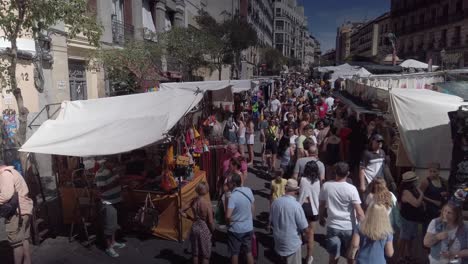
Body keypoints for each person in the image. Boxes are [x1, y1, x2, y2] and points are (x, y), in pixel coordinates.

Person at [319, 162, 365, 264]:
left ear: (335, 172)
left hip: (332, 226)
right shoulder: (352, 189)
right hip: (349, 227)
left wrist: (321, 217)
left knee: (333, 257)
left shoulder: (326, 186)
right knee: (351, 256)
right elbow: (359, 211)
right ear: (348, 173)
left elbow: (322, 205)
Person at [0, 162, 33, 264]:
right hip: (25, 210)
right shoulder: (13, 172)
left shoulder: (5, 174)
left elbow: (6, 195)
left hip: (17, 213)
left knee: (16, 243)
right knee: (24, 239)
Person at [270, 179, 309, 264]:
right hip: (292, 243)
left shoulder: (275, 203)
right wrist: (306, 237)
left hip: (278, 242)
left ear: (285, 188)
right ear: (296, 190)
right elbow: (304, 227)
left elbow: (271, 222)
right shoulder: (296, 206)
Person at [95, 157, 126, 258]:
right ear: (107, 162)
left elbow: (117, 181)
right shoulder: (100, 172)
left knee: (114, 225)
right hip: (108, 202)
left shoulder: (112, 170)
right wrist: (115, 183)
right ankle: (108, 247)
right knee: (109, 227)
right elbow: (100, 190)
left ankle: (113, 242)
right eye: (114, 163)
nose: (115, 165)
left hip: (116, 200)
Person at [180, 182, 215, 264]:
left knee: (195, 253)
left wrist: (190, 218)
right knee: (205, 255)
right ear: (206, 191)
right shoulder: (207, 204)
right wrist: (213, 232)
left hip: (195, 226)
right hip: (204, 228)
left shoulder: (193, 200)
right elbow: (210, 221)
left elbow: (181, 211)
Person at [226, 173, 255, 264]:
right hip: (248, 227)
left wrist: (228, 224)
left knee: (235, 253)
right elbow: (253, 208)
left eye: (229, 183)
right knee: (248, 252)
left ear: (234, 184)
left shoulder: (232, 197)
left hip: (236, 229)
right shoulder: (248, 190)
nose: (227, 184)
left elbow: (228, 216)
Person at [297, 159, 321, 264]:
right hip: (313, 209)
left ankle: (296, 254)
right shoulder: (318, 182)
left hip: (302, 207)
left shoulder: (301, 179)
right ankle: (308, 258)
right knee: (311, 234)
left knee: (299, 230)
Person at [398, 171, 425, 260]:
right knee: (404, 238)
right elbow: (416, 204)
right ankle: (400, 256)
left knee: (410, 237)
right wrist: (422, 194)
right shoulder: (406, 191)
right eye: (414, 180)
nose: (416, 182)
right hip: (407, 218)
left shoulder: (412, 189)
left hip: (413, 218)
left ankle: (408, 254)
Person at [420, 162, 449, 233]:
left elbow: (449, 192)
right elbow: (420, 195)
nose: (432, 173)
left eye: (434, 171)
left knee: (440, 230)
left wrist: (445, 194)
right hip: (429, 210)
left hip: (441, 210)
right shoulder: (426, 182)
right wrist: (433, 201)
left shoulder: (443, 181)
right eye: (430, 171)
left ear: (439, 171)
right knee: (428, 230)